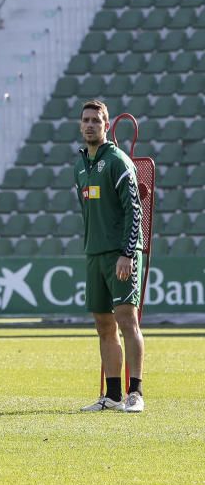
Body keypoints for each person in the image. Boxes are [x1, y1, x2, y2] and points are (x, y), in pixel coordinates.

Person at [74, 100, 145, 413]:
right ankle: (113, 396)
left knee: (127, 321)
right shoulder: (80, 166)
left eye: (96, 120)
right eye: (86, 120)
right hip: (94, 254)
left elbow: (135, 209)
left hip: (120, 255)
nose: (90, 125)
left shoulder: (117, 161)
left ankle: (135, 393)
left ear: (106, 125)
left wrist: (127, 253)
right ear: (80, 125)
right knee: (104, 325)